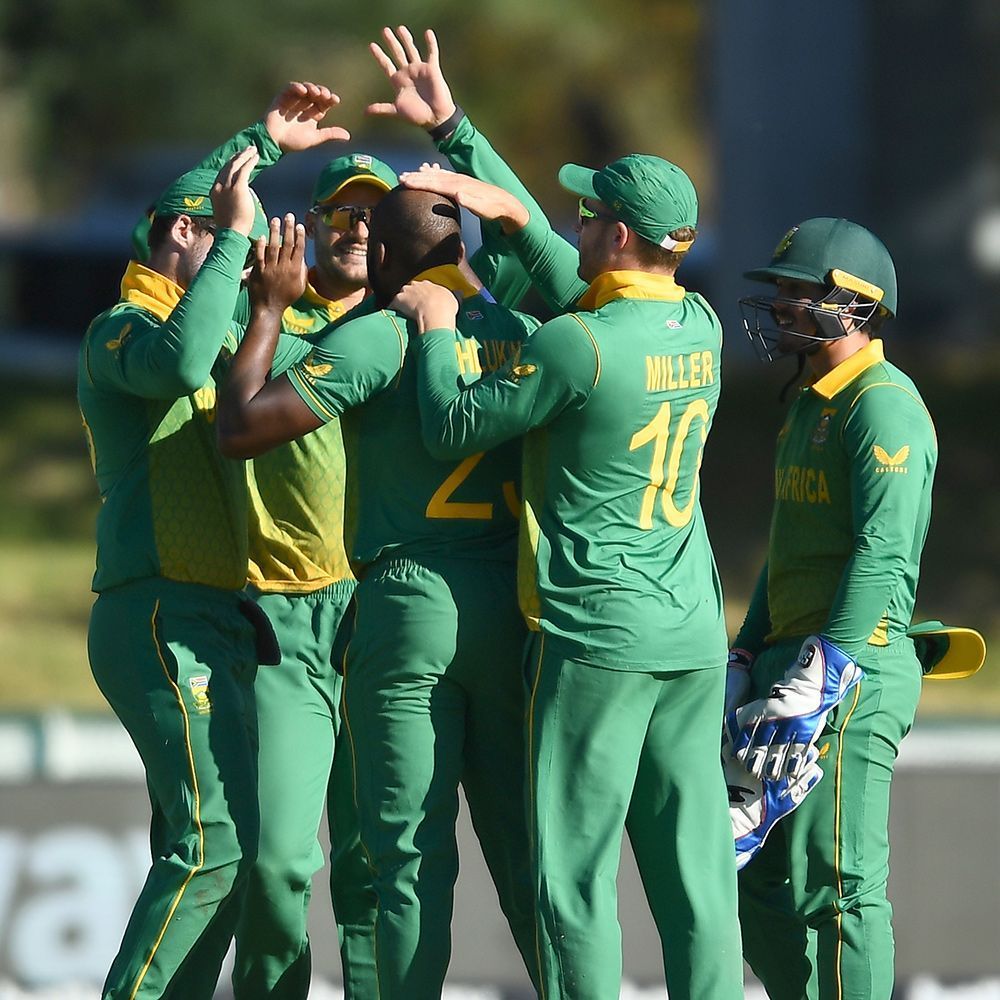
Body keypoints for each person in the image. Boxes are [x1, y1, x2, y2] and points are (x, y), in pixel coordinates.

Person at [393, 155, 744, 998]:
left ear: (618, 234)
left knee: (572, 882)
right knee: (696, 873)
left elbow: (452, 426)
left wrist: (438, 323)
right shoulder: (701, 323)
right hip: (692, 635)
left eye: (586, 215)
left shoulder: (575, 343)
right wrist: (503, 202)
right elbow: (578, 285)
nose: (574, 225)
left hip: (596, 639)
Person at [216, 185, 542, 998]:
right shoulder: (527, 333)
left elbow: (241, 429)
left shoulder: (384, 335)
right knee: (535, 860)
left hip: (409, 605)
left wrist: (266, 313)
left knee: (406, 864)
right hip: (509, 610)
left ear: (386, 259)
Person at [77, 147, 313, 1000]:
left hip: (211, 615)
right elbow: (178, 364)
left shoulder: (197, 322)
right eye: (225, 246)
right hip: (158, 614)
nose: (243, 265)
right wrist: (234, 231)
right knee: (212, 844)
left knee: (228, 855)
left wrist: (265, 139)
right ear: (184, 233)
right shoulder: (122, 329)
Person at [731, 217, 938, 999]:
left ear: (853, 302)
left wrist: (827, 667)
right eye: (779, 290)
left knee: (838, 886)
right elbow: (789, 555)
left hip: (850, 668)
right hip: (791, 661)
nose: (780, 305)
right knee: (749, 881)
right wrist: (746, 652)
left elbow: (881, 552)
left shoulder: (882, 406)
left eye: (797, 291)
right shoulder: (809, 403)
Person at [234, 150, 397, 1000]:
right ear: (315, 224)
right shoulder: (263, 316)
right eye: (343, 212)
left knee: (372, 868)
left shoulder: (411, 328)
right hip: (283, 621)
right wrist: (250, 144)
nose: (358, 227)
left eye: (376, 213)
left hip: (377, 619)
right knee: (276, 863)